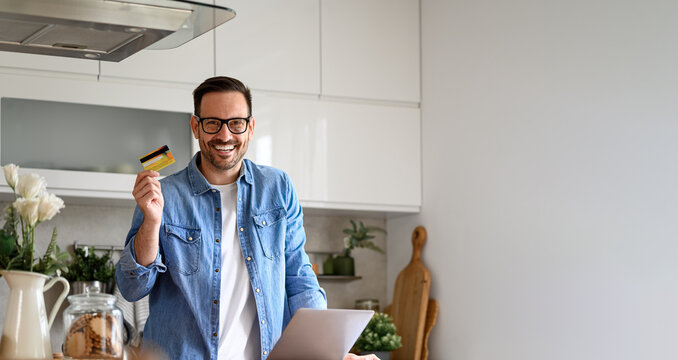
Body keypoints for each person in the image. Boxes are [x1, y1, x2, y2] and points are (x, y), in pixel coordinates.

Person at [115, 76, 379, 360]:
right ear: (196, 127)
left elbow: (299, 278)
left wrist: (329, 351)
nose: (225, 135)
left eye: (236, 123)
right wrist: (152, 222)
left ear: (250, 127)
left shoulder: (277, 188)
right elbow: (131, 288)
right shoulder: (163, 195)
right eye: (213, 123)